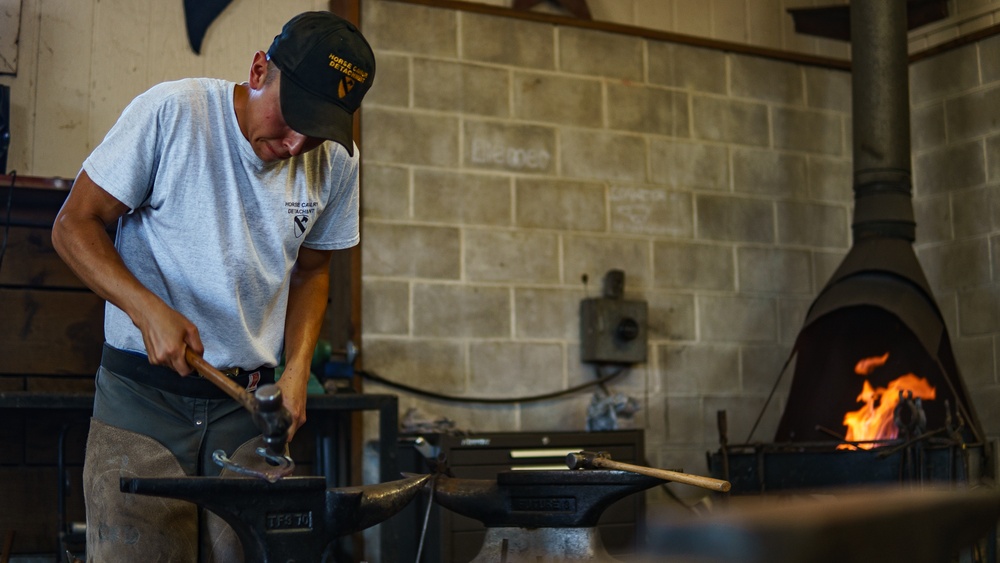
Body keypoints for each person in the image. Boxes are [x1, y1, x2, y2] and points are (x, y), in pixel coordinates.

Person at [51, 11, 375, 561]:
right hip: (141, 404)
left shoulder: (338, 164)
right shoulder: (174, 113)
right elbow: (72, 225)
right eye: (293, 115)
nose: (298, 143)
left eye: (317, 129)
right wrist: (145, 308)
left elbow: (313, 272)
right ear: (257, 70)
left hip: (246, 413)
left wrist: (297, 373)